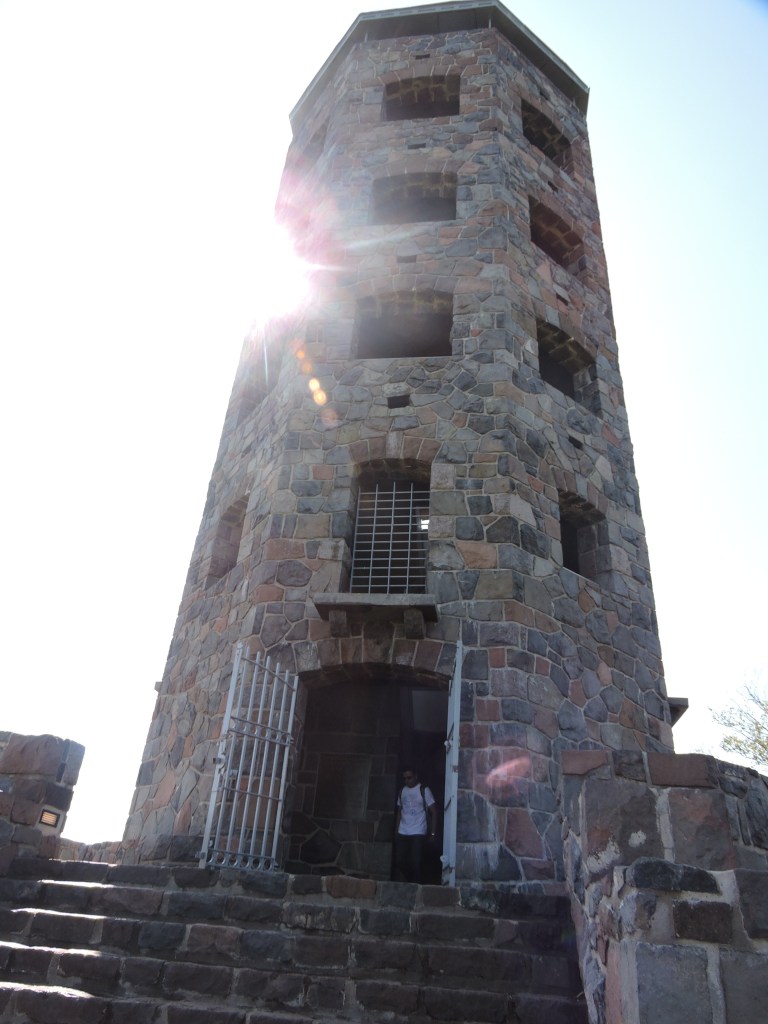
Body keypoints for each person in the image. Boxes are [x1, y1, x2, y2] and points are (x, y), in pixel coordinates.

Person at [394, 767, 437, 883]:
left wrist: (432, 833)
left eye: (409, 777)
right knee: (399, 861)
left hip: (418, 831)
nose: (407, 781)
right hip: (403, 830)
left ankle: (417, 885)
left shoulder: (424, 790)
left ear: (415, 776)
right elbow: (399, 811)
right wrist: (397, 829)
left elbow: (434, 812)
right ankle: (410, 881)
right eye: (405, 778)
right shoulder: (402, 790)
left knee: (416, 862)